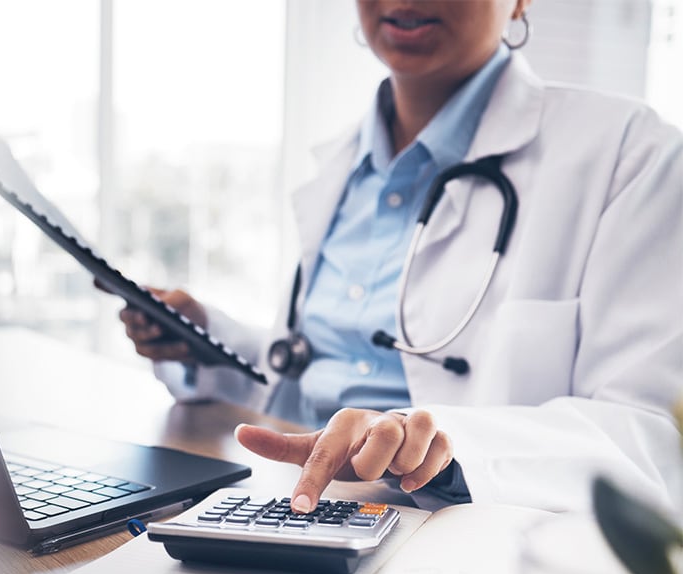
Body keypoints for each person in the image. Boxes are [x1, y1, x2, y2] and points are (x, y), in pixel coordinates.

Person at [117, 0, 683, 515]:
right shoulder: (342, 166)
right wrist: (210, 339)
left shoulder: (631, 155)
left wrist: (435, 442)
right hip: (297, 503)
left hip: (460, 536)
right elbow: (319, 379)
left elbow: (648, 434)